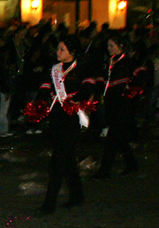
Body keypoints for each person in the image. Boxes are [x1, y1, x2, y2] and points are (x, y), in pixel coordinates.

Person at [31, 35, 95, 215]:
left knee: (58, 162)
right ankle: (77, 196)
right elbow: (45, 86)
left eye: (62, 49)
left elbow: (89, 87)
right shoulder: (54, 69)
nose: (57, 52)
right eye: (58, 49)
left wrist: (77, 99)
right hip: (56, 117)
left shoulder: (82, 68)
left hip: (72, 117)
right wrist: (39, 103)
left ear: (72, 52)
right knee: (66, 160)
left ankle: (48, 204)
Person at [92, 34, 146, 179]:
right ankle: (131, 163)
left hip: (123, 105)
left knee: (112, 137)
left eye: (112, 46)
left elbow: (141, 77)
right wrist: (96, 93)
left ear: (121, 46)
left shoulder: (129, 62)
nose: (109, 49)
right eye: (108, 46)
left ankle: (104, 170)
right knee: (119, 136)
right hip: (110, 103)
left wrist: (131, 91)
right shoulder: (108, 62)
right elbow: (101, 80)